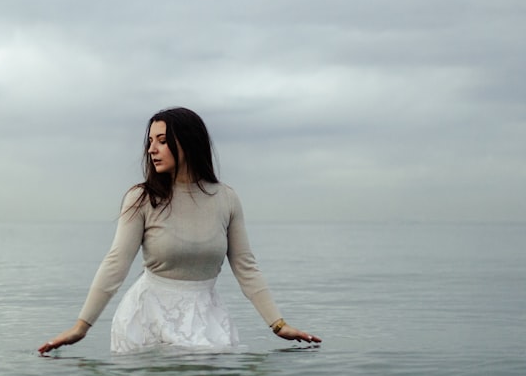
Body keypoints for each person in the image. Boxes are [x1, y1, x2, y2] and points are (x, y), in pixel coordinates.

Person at [38, 107, 321, 355]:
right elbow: (116, 262)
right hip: (148, 320)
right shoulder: (142, 198)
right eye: (150, 141)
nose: (152, 149)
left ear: (188, 143)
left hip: (208, 318)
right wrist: (81, 327)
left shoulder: (226, 198)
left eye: (162, 141)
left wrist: (278, 324)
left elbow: (246, 267)